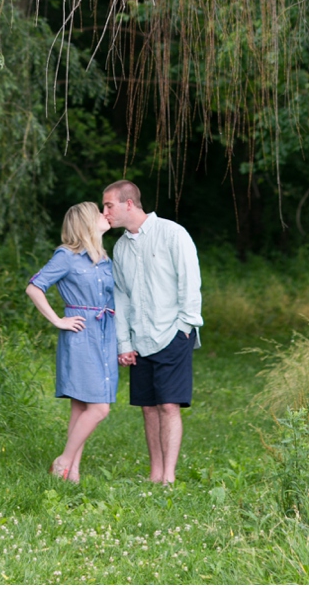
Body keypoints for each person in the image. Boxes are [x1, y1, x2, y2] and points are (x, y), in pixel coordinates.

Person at [101, 180, 202, 485]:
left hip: (173, 332)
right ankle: (155, 474)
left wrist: (185, 327)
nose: (104, 212)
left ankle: (169, 478)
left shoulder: (173, 234)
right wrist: (124, 342)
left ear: (128, 204)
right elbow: (121, 297)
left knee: (169, 405)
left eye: (108, 206)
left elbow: (190, 282)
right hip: (139, 339)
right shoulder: (120, 248)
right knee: (148, 408)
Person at [26, 201, 117, 483]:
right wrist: (58, 320)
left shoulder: (103, 258)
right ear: (87, 222)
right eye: (99, 212)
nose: (105, 215)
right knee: (99, 408)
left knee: (81, 407)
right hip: (80, 334)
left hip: (105, 334)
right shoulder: (66, 256)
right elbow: (34, 287)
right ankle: (63, 461)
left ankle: (72, 473)